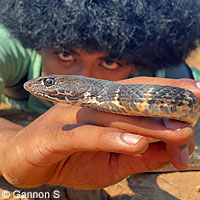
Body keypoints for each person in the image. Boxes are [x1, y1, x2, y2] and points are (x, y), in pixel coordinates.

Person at [0, 0, 199, 190]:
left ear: (137, 65)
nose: (84, 75)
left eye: (110, 62)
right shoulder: (10, 46)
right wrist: (9, 148)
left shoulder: (173, 75)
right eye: (66, 54)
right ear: (39, 46)